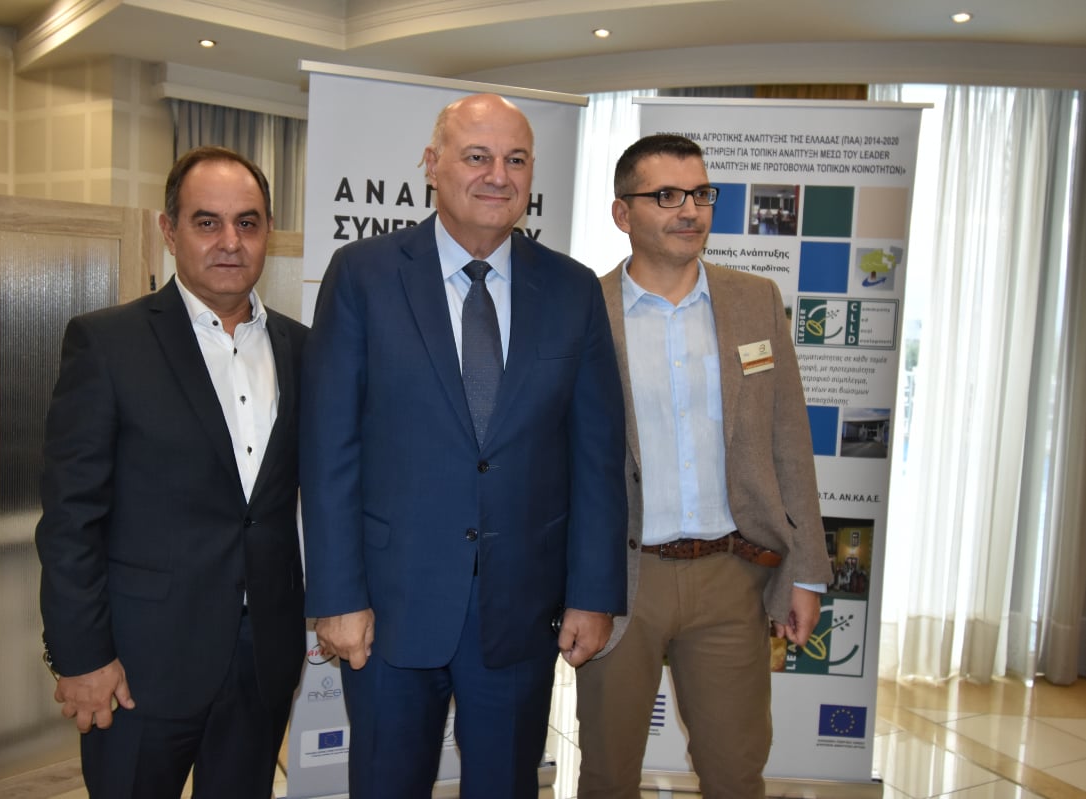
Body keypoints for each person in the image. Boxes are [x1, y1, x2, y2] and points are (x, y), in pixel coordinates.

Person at [300, 93, 627, 799]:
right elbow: (329, 451)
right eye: (477, 156)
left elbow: (596, 457)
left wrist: (593, 593)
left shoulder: (572, 289)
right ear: (432, 164)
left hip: (521, 611)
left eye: (515, 159)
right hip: (389, 609)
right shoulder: (362, 275)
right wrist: (337, 596)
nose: (497, 175)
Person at [35, 145, 308, 798]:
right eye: (206, 222)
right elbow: (71, 519)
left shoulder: (303, 347)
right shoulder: (108, 344)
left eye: (247, 222)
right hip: (139, 668)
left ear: (268, 232)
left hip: (262, 660)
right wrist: (81, 656)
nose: (230, 241)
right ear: (169, 229)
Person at [575, 134, 831, 799]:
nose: (689, 210)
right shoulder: (583, 311)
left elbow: (788, 440)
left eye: (699, 194)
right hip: (620, 581)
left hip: (731, 574)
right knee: (607, 773)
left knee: (736, 772)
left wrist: (806, 570)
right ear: (622, 213)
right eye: (666, 195)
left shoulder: (754, 300)